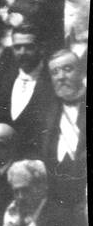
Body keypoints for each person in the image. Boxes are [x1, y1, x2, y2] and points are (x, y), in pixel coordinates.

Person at [35, 49, 86, 210]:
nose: (61, 77)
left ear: (81, 72)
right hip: (54, 199)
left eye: (67, 69)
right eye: (55, 72)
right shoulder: (46, 110)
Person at [0, 25, 52, 154]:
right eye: (17, 47)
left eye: (29, 47)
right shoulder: (4, 80)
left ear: (41, 48)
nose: (22, 52)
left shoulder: (50, 82)